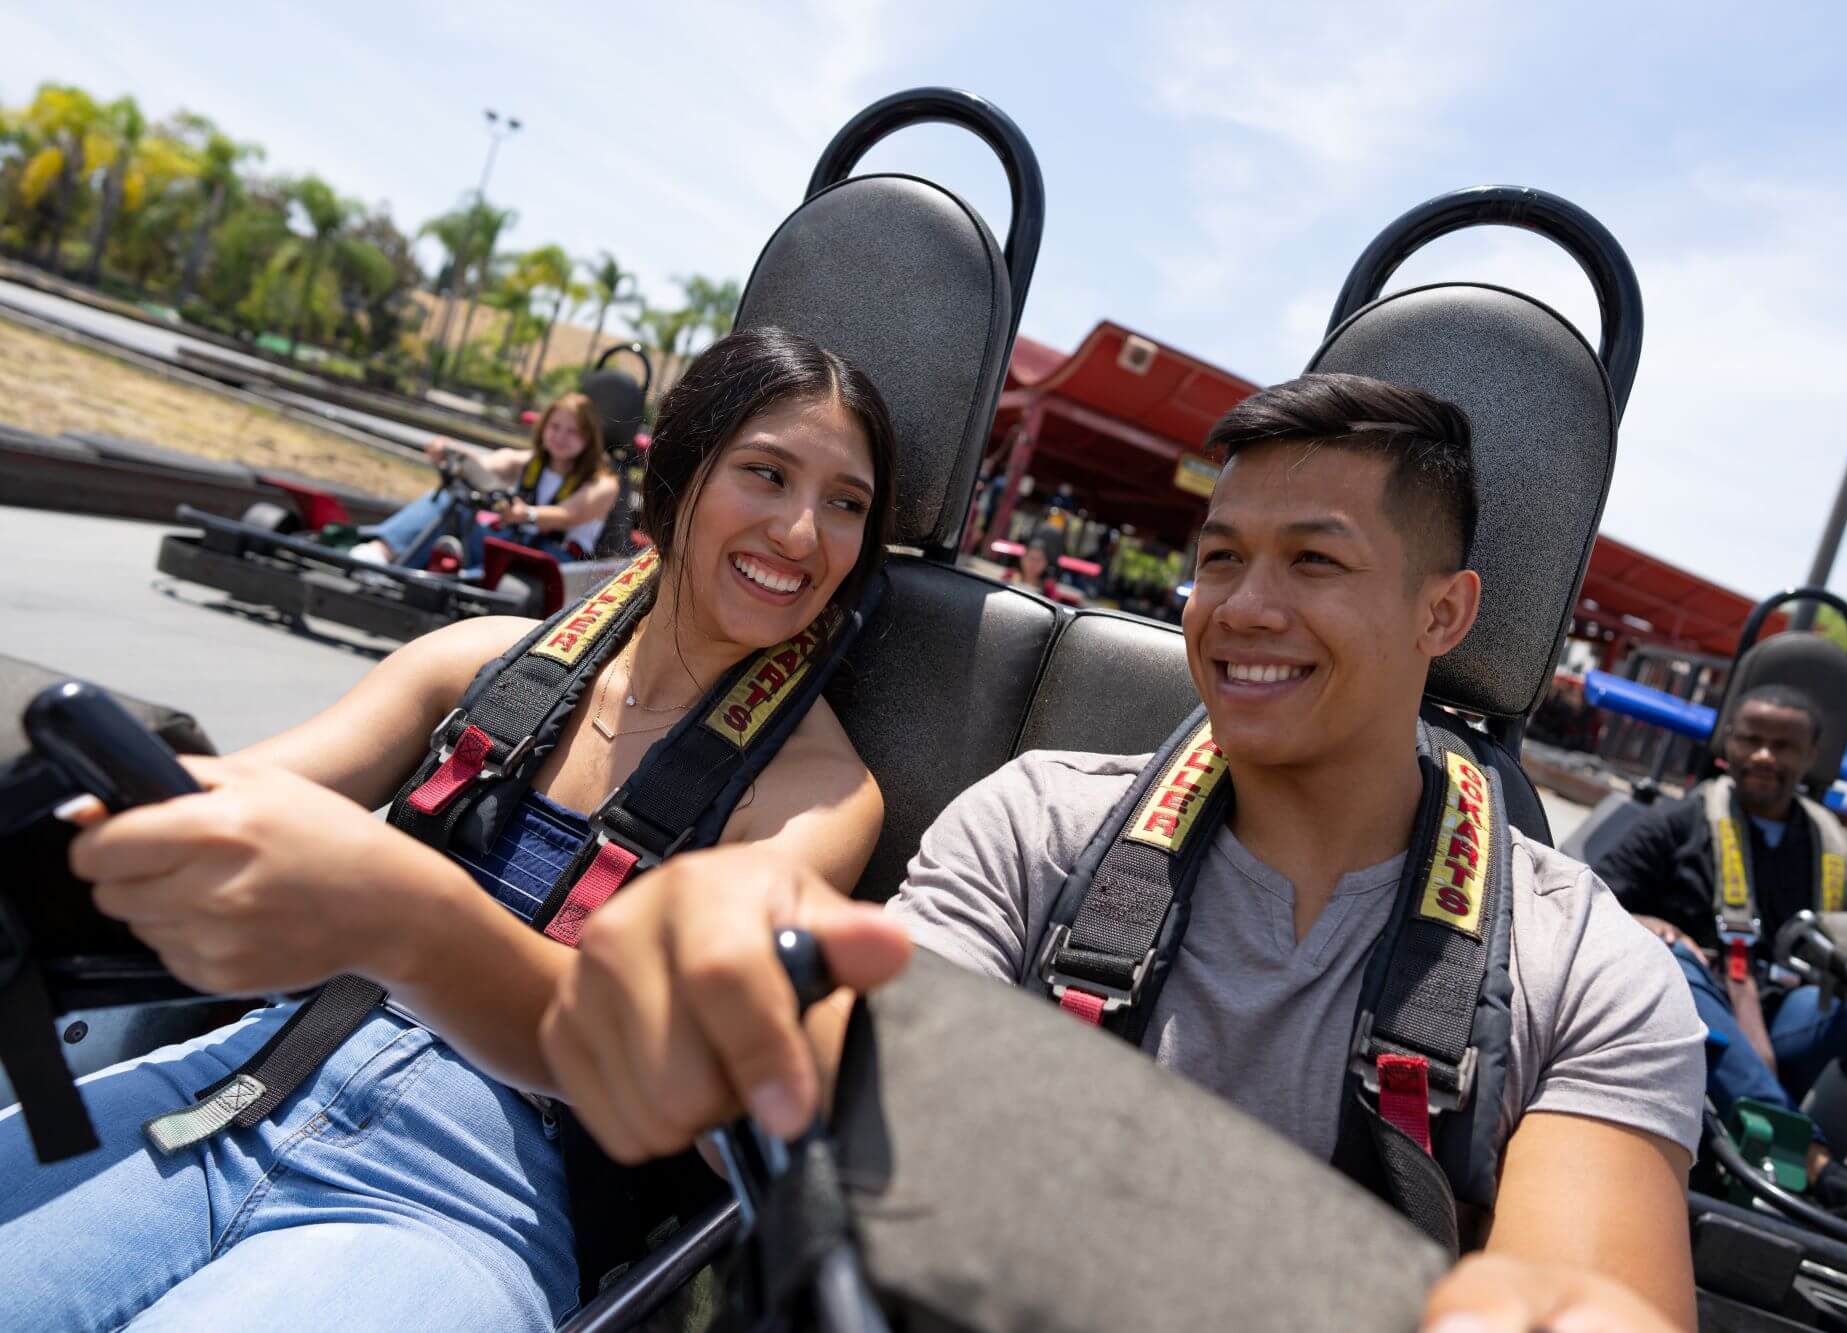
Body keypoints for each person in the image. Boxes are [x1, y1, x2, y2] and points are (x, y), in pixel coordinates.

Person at [538, 373, 1710, 1331]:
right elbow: (861, 1094)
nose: (1242, 606)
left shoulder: (1583, 973)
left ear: (1443, 616)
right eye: (1218, 558)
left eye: (1313, 562)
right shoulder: (1037, 826)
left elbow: (1591, 1299)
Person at [0, 328, 898, 1331]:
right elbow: (229, 798)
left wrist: (401, 911)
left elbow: (657, 1051)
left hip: (464, 1206)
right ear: (678, 477)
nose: (801, 532)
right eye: (766, 475)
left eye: (845, 503)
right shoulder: (478, 658)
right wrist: (77, 802)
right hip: (241, 1085)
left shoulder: (818, 796)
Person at [1595, 685, 1847, 1257]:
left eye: (1783, 746)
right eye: (1752, 741)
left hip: (1799, 1024)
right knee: (1669, 964)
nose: (1765, 756)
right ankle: (1815, 1168)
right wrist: (1650, 925)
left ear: (1811, 756)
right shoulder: (1675, 826)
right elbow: (1587, 900)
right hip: (1700, 1023)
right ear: (1728, 743)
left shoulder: (1842, 853)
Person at [350, 391, 622, 569]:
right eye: (555, 427)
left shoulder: (602, 483)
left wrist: (524, 514)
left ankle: (400, 568)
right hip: (516, 544)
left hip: (556, 563)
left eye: (572, 432)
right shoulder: (529, 462)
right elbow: (485, 465)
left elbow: (566, 515)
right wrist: (452, 454)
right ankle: (382, 554)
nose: (560, 437)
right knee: (453, 501)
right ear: (543, 428)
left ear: (589, 439)